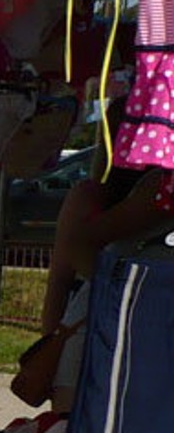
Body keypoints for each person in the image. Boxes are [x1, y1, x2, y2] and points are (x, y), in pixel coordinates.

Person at [29, 129, 169, 411]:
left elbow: (61, 276)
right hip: (101, 327)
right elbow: (67, 268)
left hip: (107, 326)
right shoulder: (153, 188)